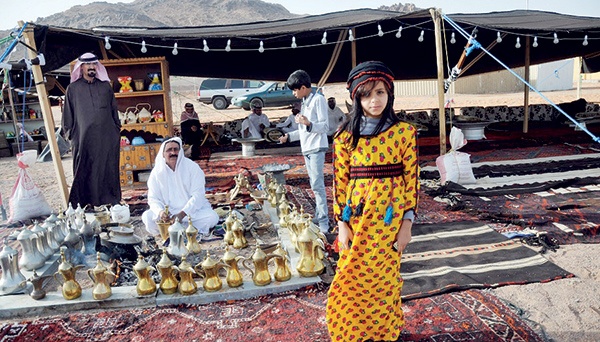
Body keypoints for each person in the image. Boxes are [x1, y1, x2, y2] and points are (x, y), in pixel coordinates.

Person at [326, 61, 419, 342]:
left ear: (389, 94)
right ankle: (352, 334)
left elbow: (411, 181)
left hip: (389, 223)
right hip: (356, 220)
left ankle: (383, 333)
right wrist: (341, 224)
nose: (374, 100)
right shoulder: (345, 137)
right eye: (366, 94)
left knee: (385, 281)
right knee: (350, 279)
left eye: (380, 92)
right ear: (356, 97)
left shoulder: (404, 133)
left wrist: (407, 225)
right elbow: (339, 183)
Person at [62, 52, 121, 207]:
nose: (91, 67)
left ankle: (108, 201)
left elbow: (114, 111)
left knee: (106, 169)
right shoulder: (73, 89)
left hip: (106, 137)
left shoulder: (105, 87)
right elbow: (67, 115)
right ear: (81, 68)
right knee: (85, 169)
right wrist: (72, 136)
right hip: (83, 138)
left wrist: (116, 130)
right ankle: (85, 203)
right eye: (88, 65)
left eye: (94, 64)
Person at [278, 70, 330, 233]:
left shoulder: (318, 99)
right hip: (307, 148)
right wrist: (288, 136)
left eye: (294, 90)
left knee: (317, 184)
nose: (294, 94)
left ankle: (324, 223)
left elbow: (325, 127)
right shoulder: (305, 102)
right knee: (314, 183)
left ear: (302, 87)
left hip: (316, 147)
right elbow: (303, 130)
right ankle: (319, 215)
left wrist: (308, 123)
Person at [141, 137, 219, 236]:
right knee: (147, 217)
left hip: (190, 213)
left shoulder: (192, 168)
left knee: (212, 217)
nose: (173, 153)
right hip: (168, 215)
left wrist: (182, 214)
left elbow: (198, 196)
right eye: (169, 150)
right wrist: (160, 212)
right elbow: (153, 199)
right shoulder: (156, 172)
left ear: (180, 151)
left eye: (175, 149)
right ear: (163, 154)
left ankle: (174, 231)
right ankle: (179, 230)